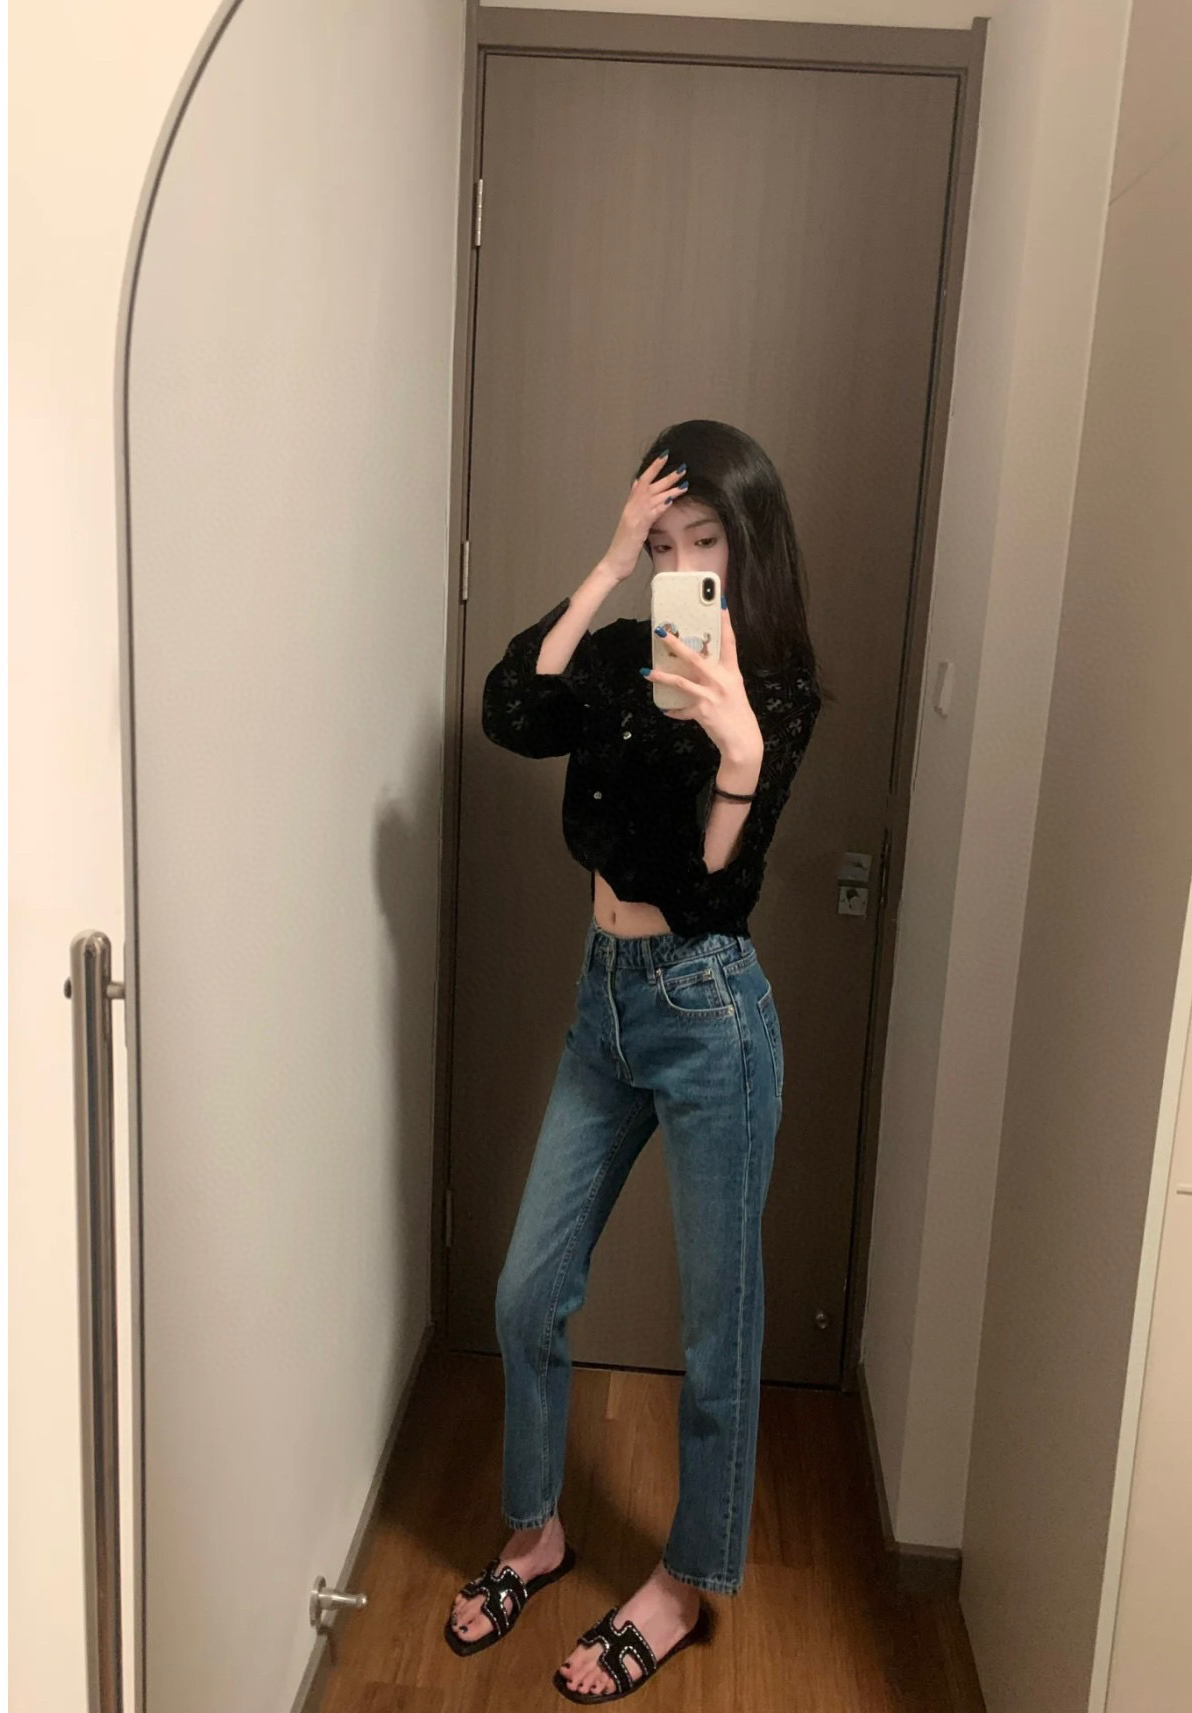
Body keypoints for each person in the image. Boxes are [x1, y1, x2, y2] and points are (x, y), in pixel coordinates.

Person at [445, 420, 824, 1701]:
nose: (680, 567)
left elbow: (710, 891)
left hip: (708, 1015)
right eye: (662, 544)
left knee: (719, 1331)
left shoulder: (773, 691)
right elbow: (510, 710)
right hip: (601, 1002)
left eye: (701, 541)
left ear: (748, 545)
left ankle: (682, 1583)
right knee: (525, 1292)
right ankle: (537, 1532)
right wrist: (605, 564)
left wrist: (740, 760)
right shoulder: (618, 652)